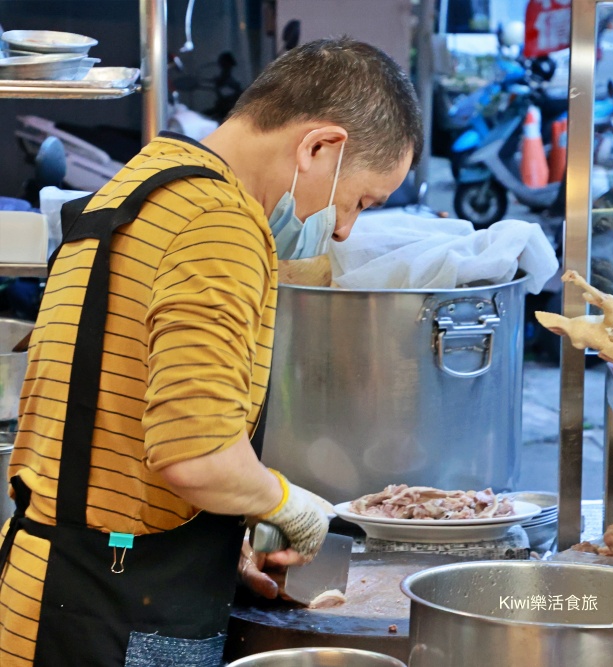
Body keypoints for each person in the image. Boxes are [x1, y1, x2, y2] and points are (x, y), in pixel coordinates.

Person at [0, 37, 421, 666]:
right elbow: (194, 454)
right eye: (361, 201)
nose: (343, 230)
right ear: (319, 147)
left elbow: (124, 420)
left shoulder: (147, 182)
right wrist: (291, 504)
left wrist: (230, 548)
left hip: (56, 587)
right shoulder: (219, 223)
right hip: (105, 617)